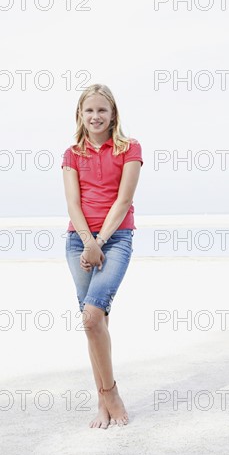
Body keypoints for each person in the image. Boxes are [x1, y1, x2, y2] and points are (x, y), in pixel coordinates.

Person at [61, 83, 143, 429]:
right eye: (89, 110)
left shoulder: (129, 148)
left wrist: (100, 241)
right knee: (96, 323)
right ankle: (102, 400)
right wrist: (87, 241)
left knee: (92, 317)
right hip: (78, 241)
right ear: (80, 114)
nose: (95, 116)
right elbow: (73, 203)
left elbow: (123, 201)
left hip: (116, 238)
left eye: (102, 110)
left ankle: (110, 394)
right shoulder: (71, 154)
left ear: (113, 115)